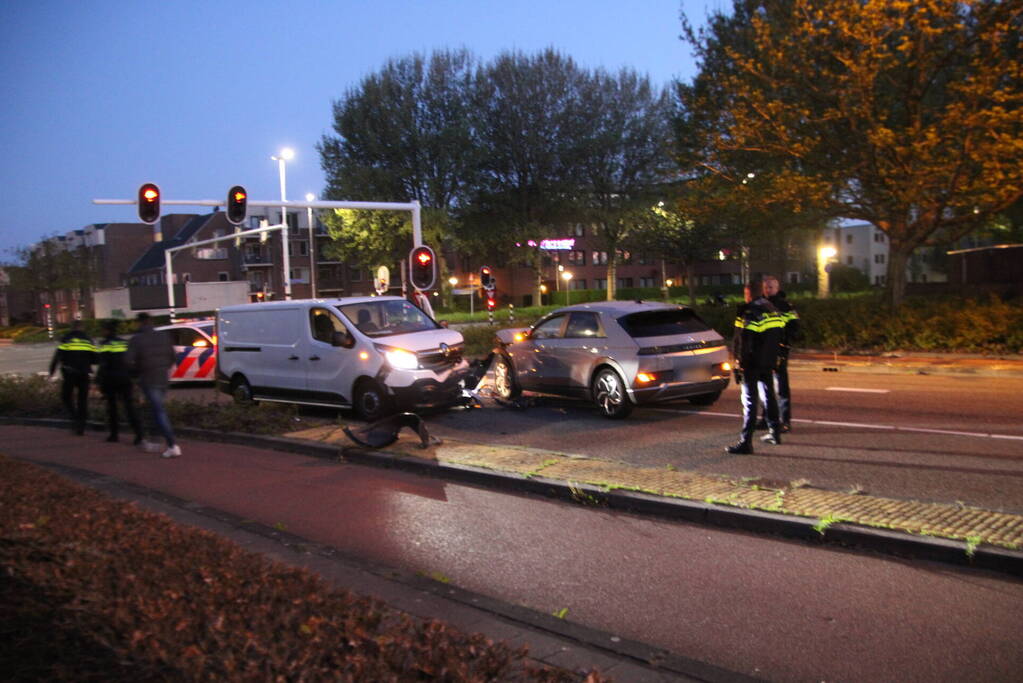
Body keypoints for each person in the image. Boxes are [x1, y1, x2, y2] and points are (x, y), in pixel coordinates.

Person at [726, 279, 785, 454]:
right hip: (768, 361)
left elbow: (744, 340)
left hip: (752, 363)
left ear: (748, 293)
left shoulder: (750, 312)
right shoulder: (773, 310)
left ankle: (746, 442)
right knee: (769, 396)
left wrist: (740, 363)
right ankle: (775, 433)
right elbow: (780, 335)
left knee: (750, 401)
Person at [125, 312, 180, 458]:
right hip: (163, 378)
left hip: (148, 378)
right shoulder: (163, 336)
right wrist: (164, 368)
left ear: (139, 323)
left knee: (158, 410)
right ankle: (155, 441)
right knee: (156, 409)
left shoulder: (136, 339)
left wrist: (136, 373)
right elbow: (173, 356)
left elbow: (128, 361)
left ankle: (172, 445)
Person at [96, 319, 143, 444]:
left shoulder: (105, 344)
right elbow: (131, 361)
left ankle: (114, 434)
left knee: (112, 408)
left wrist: (99, 381)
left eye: (103, 329)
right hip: (125, 379)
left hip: (111, 380)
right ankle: (138, 433)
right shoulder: (124, 343)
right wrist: (134, 376)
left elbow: (103, 365)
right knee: (129, 407)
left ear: (107, 330)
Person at [762, 274, 800, 432]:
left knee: (781, 386)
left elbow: (794, 326)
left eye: (771, 287)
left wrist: (784, 343)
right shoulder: (760, 304)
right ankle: (767, 419)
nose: (768, 290)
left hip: (779, 350)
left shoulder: (785, 306)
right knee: (765, 386)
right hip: (764, 350)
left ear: (777, 288)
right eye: (766, 287)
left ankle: (785, 421)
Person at [48, 318, 96, 435]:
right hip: (84, 373)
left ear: (72, 328)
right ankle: (81, 426)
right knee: (82, 400)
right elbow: (95, 358)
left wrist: (52, 371)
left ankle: (74, 418)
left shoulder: (66, 339)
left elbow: (58, 356)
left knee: (66, 396)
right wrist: (86, 362)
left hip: (69, 373)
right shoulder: (88, 339)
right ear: (82, 327)